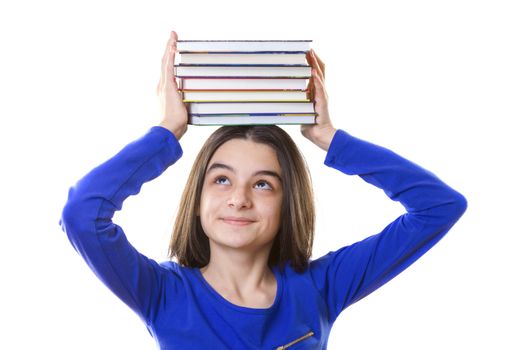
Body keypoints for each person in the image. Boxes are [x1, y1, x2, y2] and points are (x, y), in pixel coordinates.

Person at [59, 31, 467, 349]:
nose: (239, 198)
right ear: (196, 199)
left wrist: (329, 137)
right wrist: (168, 131)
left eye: (263, 184)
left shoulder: (321, 287)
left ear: (288, 202)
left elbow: (439, 206)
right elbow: (82, 214)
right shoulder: (162, 293)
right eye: (221, 179)